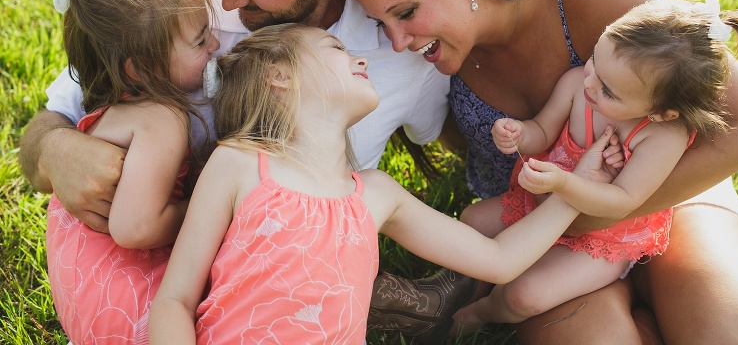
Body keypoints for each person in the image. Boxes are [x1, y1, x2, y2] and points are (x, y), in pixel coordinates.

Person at [19, 0, 461, 343]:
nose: (227, 1)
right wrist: (54, 149)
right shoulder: (185, 11)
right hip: (172, 266)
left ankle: (411, 304)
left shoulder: (401, 53)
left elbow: (446, 135)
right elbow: (58, 114)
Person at [345, 0, 738, 344]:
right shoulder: (421, 53)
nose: (397, 41)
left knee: (726, 336)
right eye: (381, 24)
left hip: (668, 194)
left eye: (407, 12)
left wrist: (588, 211)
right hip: (535, 230)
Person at [148, 23, 616, 344]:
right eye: (336, 49)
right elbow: (175, 298)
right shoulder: (240, 163)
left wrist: (578, 188)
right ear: (280, 76)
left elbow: (499, 259)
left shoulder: (375, 193)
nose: (359, 59)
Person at [452, 0, 738, 330]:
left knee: (524, 296)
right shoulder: (580, 84)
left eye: (608, 91)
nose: (589, 82)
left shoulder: (662, 137)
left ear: (661, 113)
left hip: (602, 238)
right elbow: (542, 131)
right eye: (594, 61)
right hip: (540, 204)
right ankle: (467, 289)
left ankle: (484, 313)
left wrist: (563, 183)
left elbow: (623, 200)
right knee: (473, 221)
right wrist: (519, 135)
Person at [45, 0, 220, 343]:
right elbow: (136, 228)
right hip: (135, 306)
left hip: (86, 296)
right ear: (141, 69)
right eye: (200, 40)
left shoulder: (112, 109)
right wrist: (207, 208)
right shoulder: (162, 118)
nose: (215, 44)